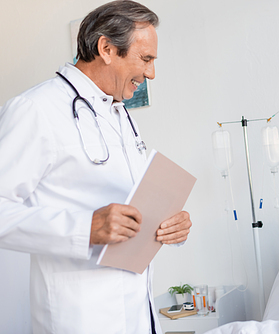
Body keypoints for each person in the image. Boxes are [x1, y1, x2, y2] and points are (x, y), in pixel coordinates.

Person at [0, 1, 191, 333]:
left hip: (138, 312)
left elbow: (130, 207)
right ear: (106, 48)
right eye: (145, 59)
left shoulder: (117, 113)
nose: (151, 74)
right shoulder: (35, 110)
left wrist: (171, 225)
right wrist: (85, 228)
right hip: (80, 317)